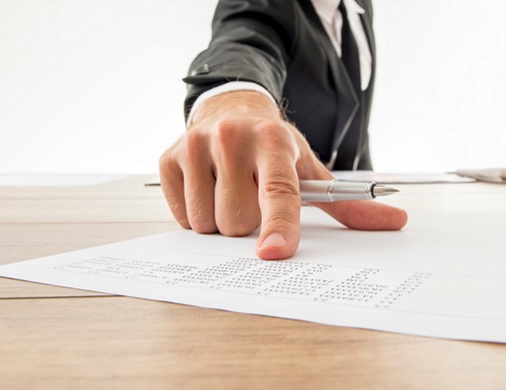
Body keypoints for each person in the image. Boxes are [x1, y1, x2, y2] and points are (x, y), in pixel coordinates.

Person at [158, 0, 407, 261]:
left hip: (347, 223)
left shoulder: (359, 6)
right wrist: (234, 100)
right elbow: (244, 41)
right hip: (272, 210)